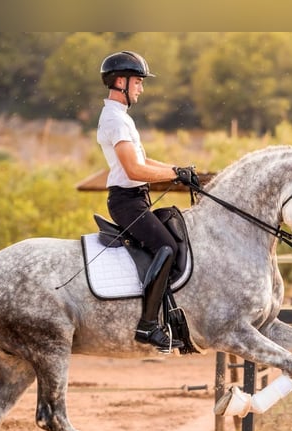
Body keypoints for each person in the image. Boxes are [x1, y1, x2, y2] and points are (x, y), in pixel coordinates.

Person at [96, 50, 199, 352]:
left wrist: (176, 171)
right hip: (127, 201)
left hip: (136, 198)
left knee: (173, 242)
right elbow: (134, 169)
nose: (141, 88)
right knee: (165, 248)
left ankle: (170, 318)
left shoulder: (121, 119)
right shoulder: (116, 121)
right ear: (120, 81)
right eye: (138, 82)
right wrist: (173, 173)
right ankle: (147, 325)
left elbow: (144, 160)